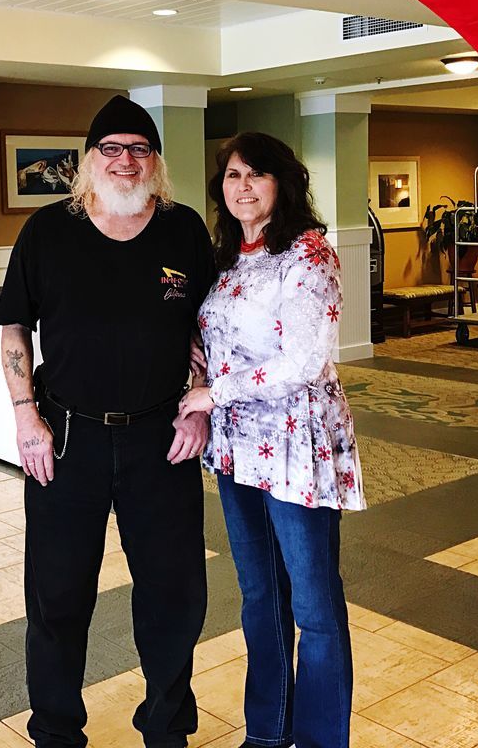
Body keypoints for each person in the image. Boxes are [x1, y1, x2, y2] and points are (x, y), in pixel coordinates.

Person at [0, 95, 216, 748]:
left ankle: (167, 727)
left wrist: (200, 400)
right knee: (58, 598)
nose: (127, 160)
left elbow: (208, 328)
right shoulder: (47, 231)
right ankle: (56, 733)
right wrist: (24, 416)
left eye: (140, 148)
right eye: (112, 149)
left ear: (156, 161)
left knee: (174, 595)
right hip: (67, 439)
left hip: (161, 439)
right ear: (90, 162)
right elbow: (15, 326)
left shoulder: (184, 230)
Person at [179, 131, 365, 748]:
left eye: (255, 175)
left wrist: (215, 393)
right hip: (237, 450)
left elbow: (304, 360)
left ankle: (317, 740)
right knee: (259, 595)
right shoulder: (228, 257)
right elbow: (211, 335)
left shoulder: (309, 255)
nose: (242, 187)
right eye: (233, 176)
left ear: (282, 184)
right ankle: (266, 732)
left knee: (313, 604)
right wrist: (196, 369)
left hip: (295, 448)